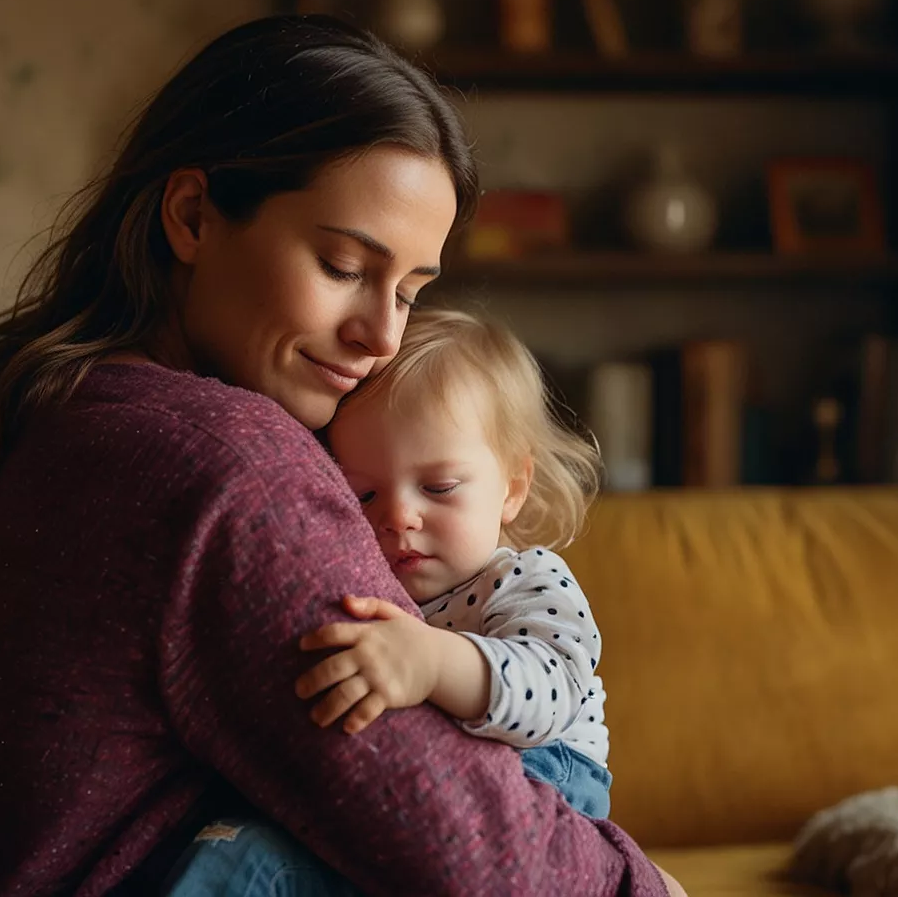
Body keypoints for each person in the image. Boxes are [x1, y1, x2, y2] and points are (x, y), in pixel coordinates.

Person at [0, 13, 682, 896]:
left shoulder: (56, 411)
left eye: (412, 293)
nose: (380, 334)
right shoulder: (224, 465)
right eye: (344, 266)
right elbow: (464, 846)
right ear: (192, 216)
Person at [163, 307, 618, 895]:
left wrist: (431, 662)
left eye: (439, 488)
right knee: (228, 844)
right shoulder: (361, 580)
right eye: (365, 493)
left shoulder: (527, 578)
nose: (399, 516)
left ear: (512, 486)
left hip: (547, 791)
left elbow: (553, 689)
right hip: (426, 794)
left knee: (253, 863)